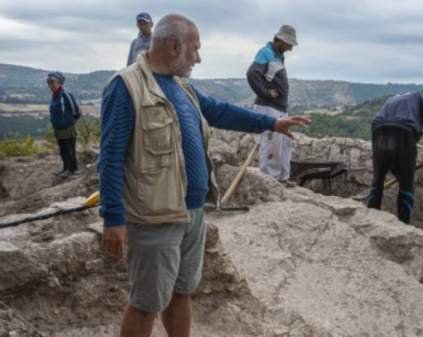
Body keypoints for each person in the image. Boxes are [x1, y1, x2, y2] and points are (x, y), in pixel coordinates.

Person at [98, 14, 309, 337]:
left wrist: (271, 123)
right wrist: (113, 218)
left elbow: (220, 110)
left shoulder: (184, 88)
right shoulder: (126, 88)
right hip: (155, 218)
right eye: (194, 49)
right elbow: (110, 158)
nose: (198, 57)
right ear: (173, 46)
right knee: (146, 303)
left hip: (193, 212)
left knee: (181, 292)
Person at [366, 92, 423, 224]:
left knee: (378, 179)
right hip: (404, 131)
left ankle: (370, 219)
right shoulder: (420, 97)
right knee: (405, 181)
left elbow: (376, 120)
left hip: (379, 130)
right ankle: (403, 224)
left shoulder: (391, 99)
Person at [247, 25, 298, 187]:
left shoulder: (277, 55)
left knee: (283, 144)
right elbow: (252, 74)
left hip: (279, 108)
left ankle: (283, 178)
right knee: (271, 144)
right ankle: (271, 181)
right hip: (268, 107)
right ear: (281, 40)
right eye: (289, 44)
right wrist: (266, 94)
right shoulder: (265, 52)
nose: (290, 48)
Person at [47, 71, 81, 178]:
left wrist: (69, 122)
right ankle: (65, 168)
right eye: (49, 83)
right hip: (58, 128)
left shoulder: (65, 94)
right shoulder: (54, 96)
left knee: (69, 149)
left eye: (53, 83)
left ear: (60, 83)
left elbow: (76, 111)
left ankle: (72, 169)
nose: (51, 85)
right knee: (63, 150)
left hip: (67, 128)